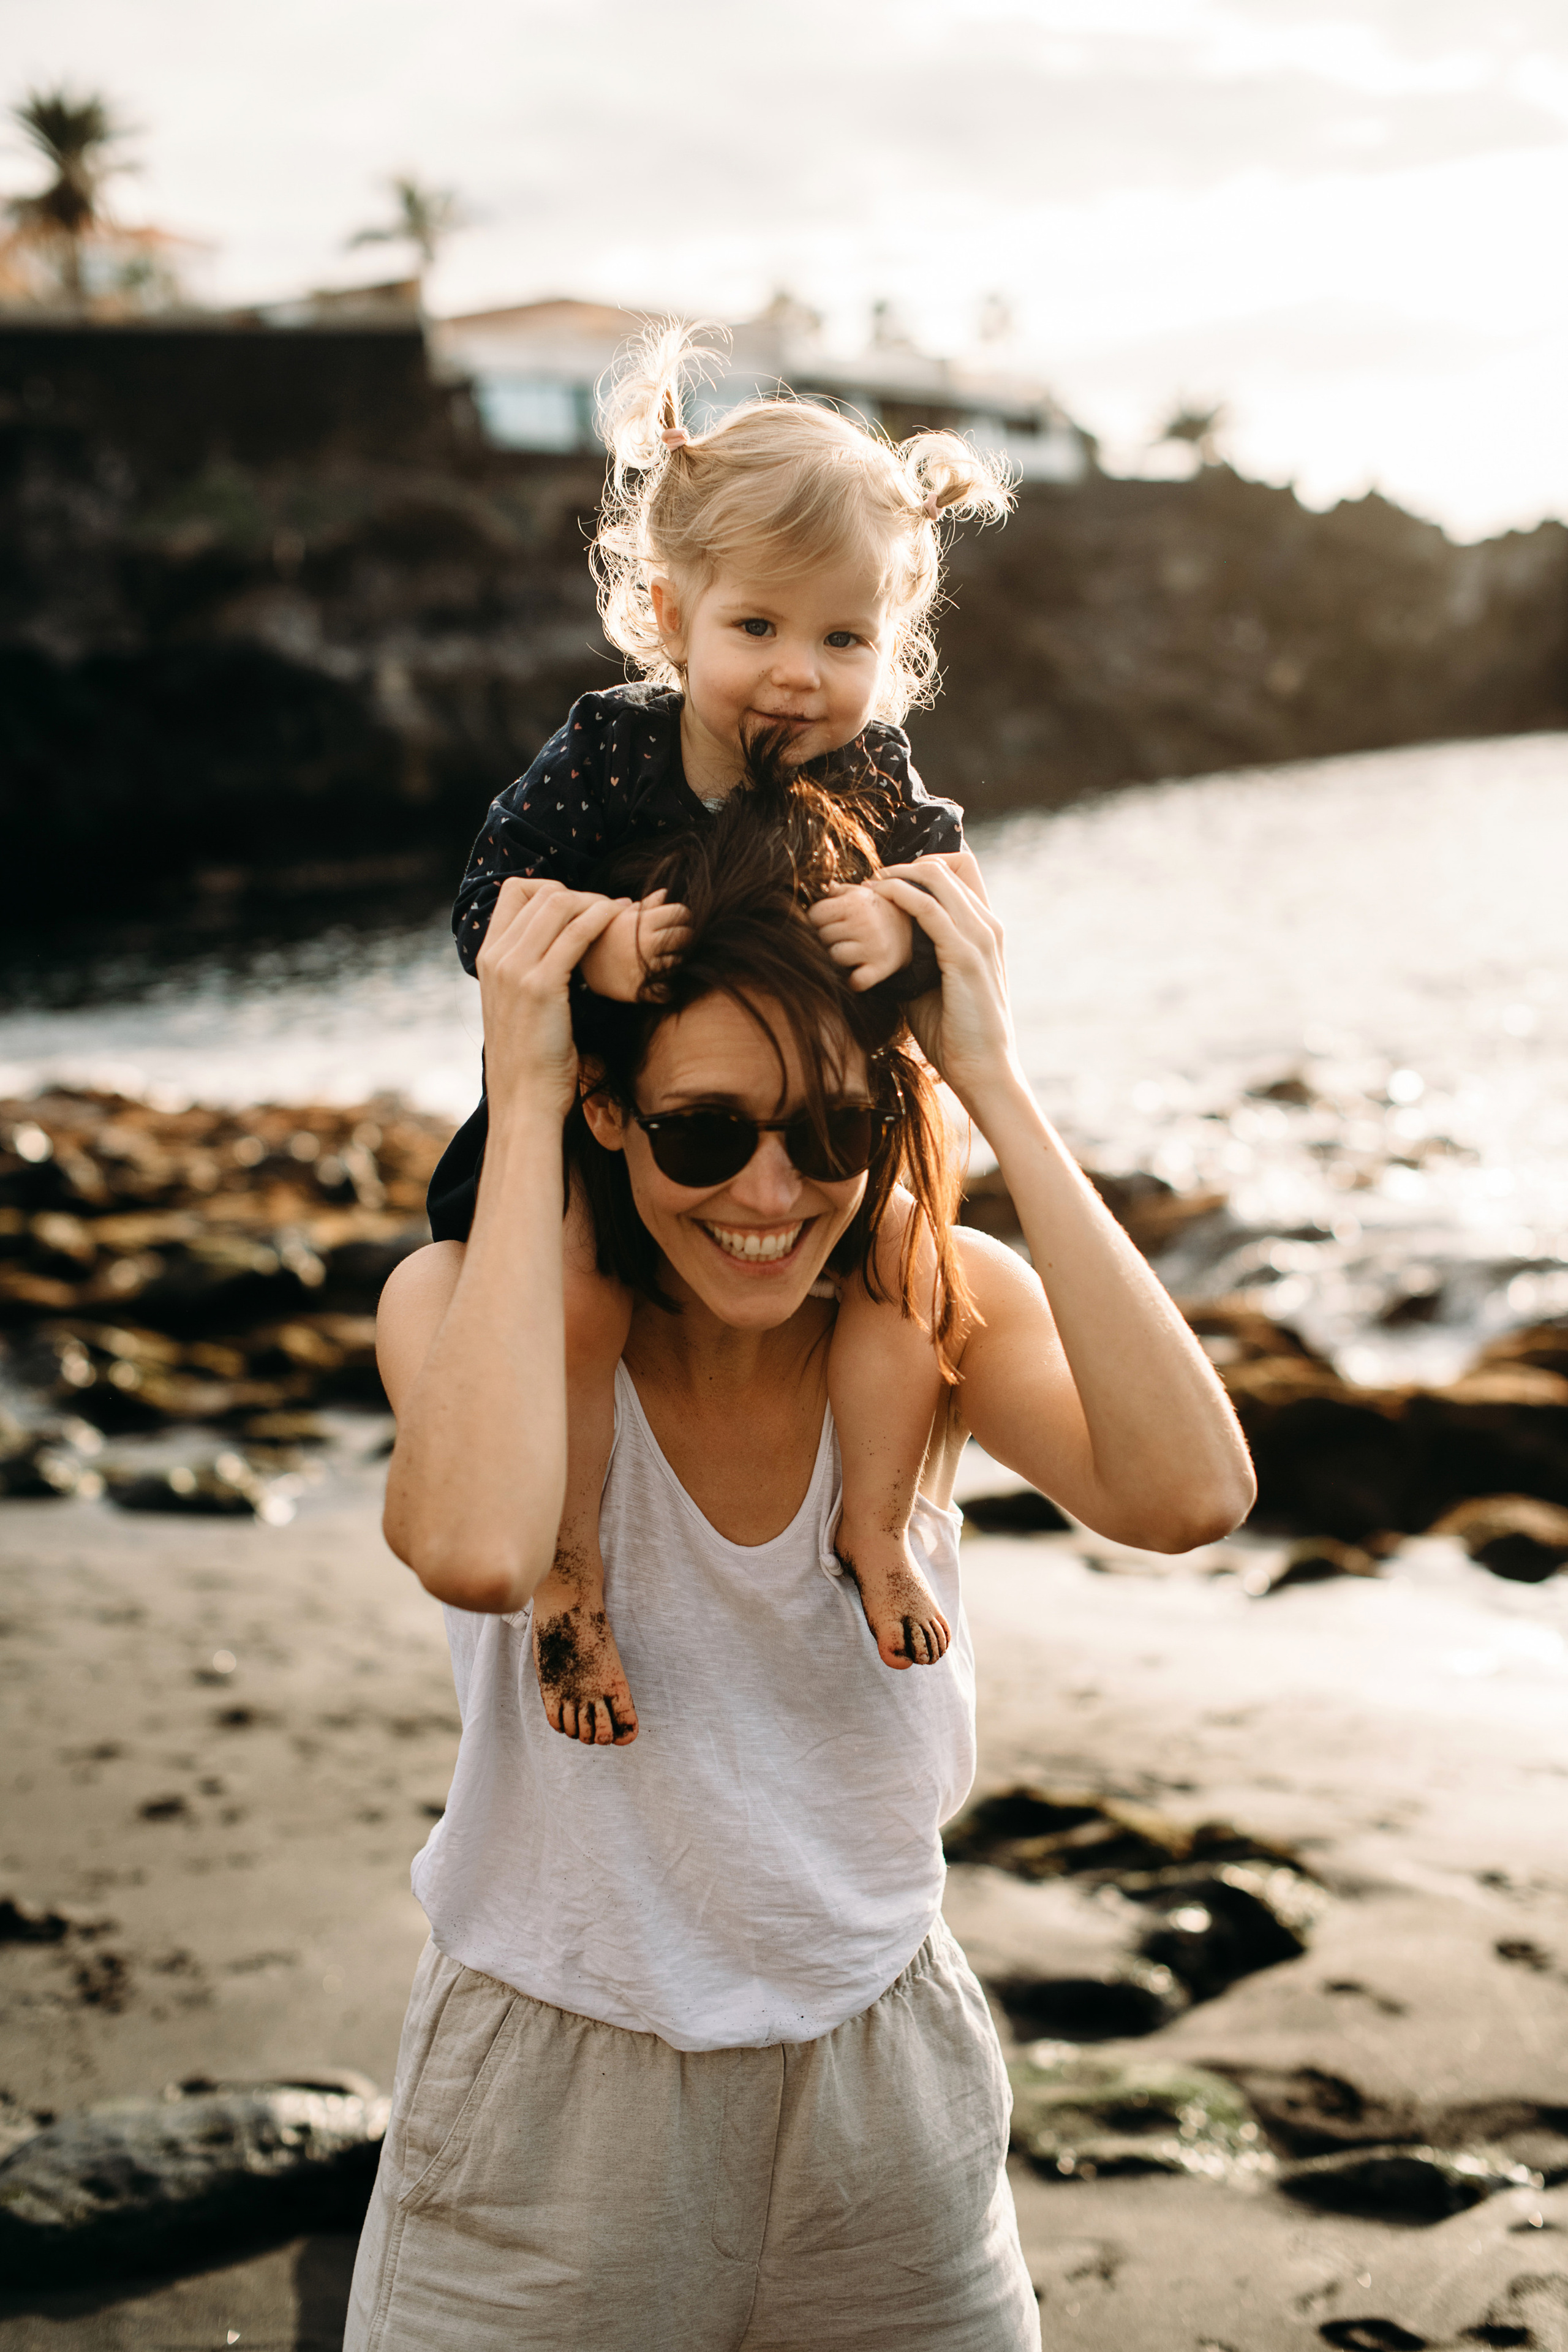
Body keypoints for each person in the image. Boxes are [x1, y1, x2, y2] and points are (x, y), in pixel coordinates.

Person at [350, 777, 1256, 2350]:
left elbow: (1187, 1495)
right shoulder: (463, 1308)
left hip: (887, 2096)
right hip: (555, 2118)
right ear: (610, 1108)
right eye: (702, 1133)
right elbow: (478, 1551)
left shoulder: (931, 1302)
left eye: (832, 1129)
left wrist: (992, 1078)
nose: (774, 1197)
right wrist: (529, 1077)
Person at [426, 320, 1014, 1746]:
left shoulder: (878, 782)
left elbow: (957, 923)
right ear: (670, 612)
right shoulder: (607, 754)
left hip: (798, 1143)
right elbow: (484, 909)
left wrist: (894, 928)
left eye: (844, 638)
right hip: (588, 1135)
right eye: (756, 626)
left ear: (896, 648)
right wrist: (604, 944)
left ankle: (876, 1529)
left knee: (904, 1274)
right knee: (572, 1301)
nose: (796, 674)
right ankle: (571, 1572)